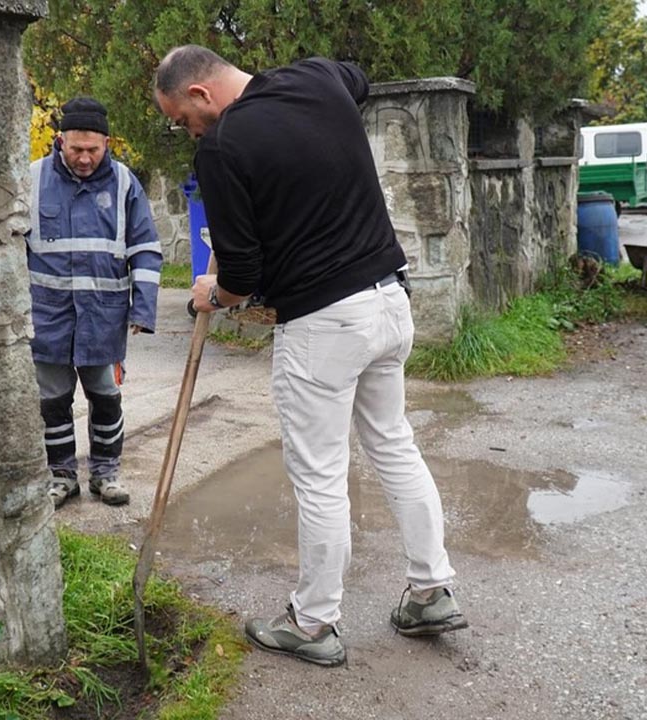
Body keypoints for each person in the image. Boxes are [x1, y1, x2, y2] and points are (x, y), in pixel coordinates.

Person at [153, 46, 467, 667]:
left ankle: (314, 623)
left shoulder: (222, 148)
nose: (187, 131)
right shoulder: (319, 79)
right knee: (394, 444)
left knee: (320, 475)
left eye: (181, 119)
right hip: (388, 302)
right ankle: (431, 590)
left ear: (199, 95)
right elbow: (360, 77)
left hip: (323, 324)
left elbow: (241, 276)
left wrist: (207, 295)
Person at [26, 96, 162, 509]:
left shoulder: (123, 183)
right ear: (60, 141)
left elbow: (146, 247)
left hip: (103, 317)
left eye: (93, 150)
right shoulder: (32, 179)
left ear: (106, 143)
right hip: (47, 316)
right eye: (76, 149)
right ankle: (62, 476)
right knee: (53, 402)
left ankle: (106, 473)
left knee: (105, 397)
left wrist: (143, 308)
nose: (84, 158)